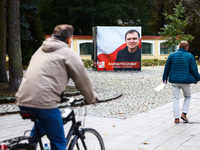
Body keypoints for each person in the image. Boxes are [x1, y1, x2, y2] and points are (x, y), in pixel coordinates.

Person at [15, 24, 97, 150]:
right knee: (59, 141)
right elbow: (83, 80)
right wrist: (90, 98)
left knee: (41, 126)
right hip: (44, 102)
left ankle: (31, 144)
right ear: (69, 39)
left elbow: (42, 76)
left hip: (23, 99)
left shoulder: (40, 50)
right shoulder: (68, 53)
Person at [162, 41, 200, 124]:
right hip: (185, 80)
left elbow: (167, 68)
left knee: (175, 98)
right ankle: (184, 113)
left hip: (174, 80)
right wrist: (197, 78)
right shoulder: (190, 56)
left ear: (179, 47)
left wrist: (164, 78)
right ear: (187, 47)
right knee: (188, 96)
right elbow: (194, 69)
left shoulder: (172, 55)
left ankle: (176, 118)